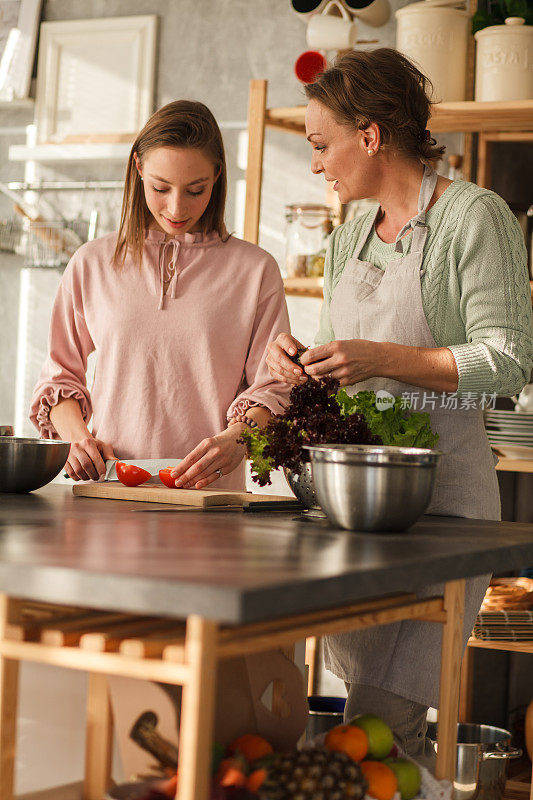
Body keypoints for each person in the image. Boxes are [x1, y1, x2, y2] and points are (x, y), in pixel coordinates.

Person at [266, 48, 533, 766]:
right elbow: (333, 372)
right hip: (355, 511)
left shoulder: (474, 217)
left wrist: (384, 359)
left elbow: (504, 362)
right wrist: (295, 369)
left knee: (385, 726)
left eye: (322, 145)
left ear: (371, 134)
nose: (317, 164)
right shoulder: (349, 234)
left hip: (440, 510)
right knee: (359, 724)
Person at [31, 100, 290, 490]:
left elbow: (275, 386)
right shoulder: (92, 263)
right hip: (109, 492)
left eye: (195, 189)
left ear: (217, 176)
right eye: (160, 187)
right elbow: (58, 375)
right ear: (138, 168)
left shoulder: (256, 271)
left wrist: (237, 438)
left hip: (210, 498)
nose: (176, 207)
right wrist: (77, 438)